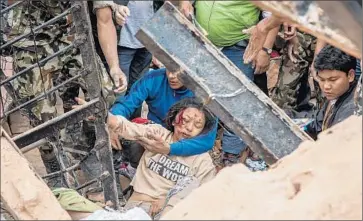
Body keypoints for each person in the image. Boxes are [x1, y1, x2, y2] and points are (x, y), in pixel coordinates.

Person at [6, 0, 123, 188]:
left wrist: (115, 67)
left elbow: (104, 18)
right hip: (31, 38)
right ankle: (55, 166)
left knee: (105, 92)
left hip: (70, 37)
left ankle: (82, 150)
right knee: (42, 114)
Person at [179, 1, 279, 166]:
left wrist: (265, 50)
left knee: (237, 103)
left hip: (238, 47)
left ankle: (231, 155)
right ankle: (194, 147)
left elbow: (274, 14)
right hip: (201, 41)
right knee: (198, 96)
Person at [108, 98, 216, 218]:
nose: (189, 128)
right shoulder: (159, 134)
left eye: (197, 125)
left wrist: (170, 200)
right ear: (174, 120)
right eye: (185, 120)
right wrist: (105, 117)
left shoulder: (202, 158)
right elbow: (128, 127)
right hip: (138, 206)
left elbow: (207, 194)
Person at [110, 68, 217, 163]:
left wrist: (169, 149)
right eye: (169, 68)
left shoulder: (205, 93)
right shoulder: (153, 78)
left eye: (178, 71)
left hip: (186, 140)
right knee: (132, 142)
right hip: (155, 133)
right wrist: (113, 124)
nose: (171, 76)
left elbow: (207, 140)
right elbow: (127, 104)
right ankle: (133, 167)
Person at [306, 45, 357, 139]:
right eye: (321, 79)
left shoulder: (351, 112)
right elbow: (317, 125)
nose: (326, 86)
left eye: (333, 80)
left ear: (350, 75)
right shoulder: (337, 93)